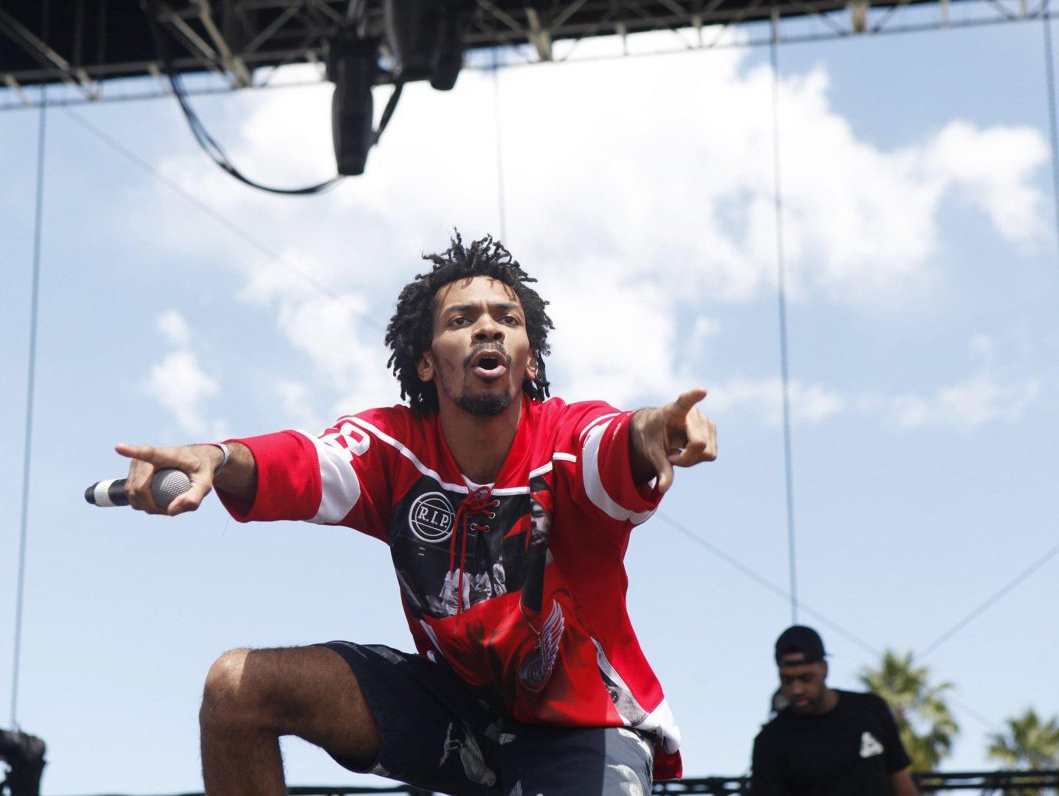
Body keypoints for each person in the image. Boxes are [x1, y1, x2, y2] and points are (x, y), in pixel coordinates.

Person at [115, 233, 718, 796]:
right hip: (455, 709)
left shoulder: (566, 437)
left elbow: (617, 440)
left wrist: (656, 430)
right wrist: (217, 457)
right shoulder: (394, 448)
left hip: (582, 725)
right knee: (234, 689)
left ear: (529, 361)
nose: (488, 327)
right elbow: (302, 462)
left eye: (508, 320)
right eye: (462, 319)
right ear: (427, 362)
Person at [749, 625, 919, 796]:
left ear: (824, 669)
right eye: (787, 680)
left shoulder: (871, 710)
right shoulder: (770, 742)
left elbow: (902, 783)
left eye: (806, 678)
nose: (797, 689)